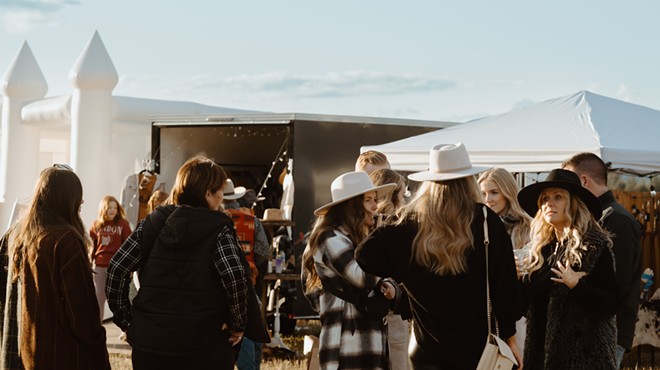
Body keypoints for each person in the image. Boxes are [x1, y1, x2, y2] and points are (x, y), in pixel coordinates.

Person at [356, 143, 523, 370]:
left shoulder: (410, 221)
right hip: (477, 351)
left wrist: (408, 273)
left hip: (426, 350)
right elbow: (504, 288)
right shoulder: (484, 220)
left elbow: (365, 254)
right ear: (468, 180)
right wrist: (510, 337)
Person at [105, 154, 258, 370]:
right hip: (205, 345)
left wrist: (126, 320)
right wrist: (237, 323)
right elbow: (235, 277)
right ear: (208, 193)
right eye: (220, 192)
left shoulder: (152, 223)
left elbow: (116, 268)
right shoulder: (219, 230)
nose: (222, 197)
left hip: (151, 346)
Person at [0, 164, 110, 369]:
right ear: (66, 198)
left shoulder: (22, 237)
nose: (82, 201)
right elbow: (82, 314)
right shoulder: (66, 240)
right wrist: (99, 351)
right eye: (78, 195)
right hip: (66, 355)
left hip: (30, 354)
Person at [517, 168, 618, 369]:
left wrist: (578, 286)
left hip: (582, 360)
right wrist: (517, 278)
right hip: (540, 359)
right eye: (544, 199)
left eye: (558, 197)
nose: (549, 203)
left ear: (573, 203)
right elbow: (528, 308)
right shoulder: (542, 250)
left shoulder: (593, 246)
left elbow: (611, 303)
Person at [301, 171, 398, 370]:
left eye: (375, 200)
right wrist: (379, 239)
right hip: (345, 343)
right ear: (351, 206)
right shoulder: (329, 238)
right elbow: (363, 278)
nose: (375, 207)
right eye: (368, 200)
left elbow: (384, 275)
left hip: (371, 338)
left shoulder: (358, 238)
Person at [561, 153, 643, 366]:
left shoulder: (617, 220)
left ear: (584, 181)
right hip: (587, 330)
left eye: (571, 182)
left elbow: (617, 286)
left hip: (609, 332)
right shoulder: (595, 217)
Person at [478, 167, 532, 353]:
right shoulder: (477, 227)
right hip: (483, 313)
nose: (488, 199)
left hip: (519, 313)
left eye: (494, 192)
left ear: (508, 193)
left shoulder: (527, 227)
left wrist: (522, 270)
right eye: (483, 193)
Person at [222, 178, 270, 370]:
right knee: (250, 324)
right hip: (247, 278)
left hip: (222, 280)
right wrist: (251, 264)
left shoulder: (215, 217)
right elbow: (263, 250)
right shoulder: (251, 218)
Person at [368, 168, 411, 370]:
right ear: (393, 196)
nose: (404, 201)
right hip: (393, 310)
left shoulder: (361, 224)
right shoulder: (394, 226)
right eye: (403, 195)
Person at [89, 195, 132, 320]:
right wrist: (89, 262)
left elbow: (128, 246)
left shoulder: (123, 224)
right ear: (103, 208)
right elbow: (92, 247)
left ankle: (126, 328)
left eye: (115, 208)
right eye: (109, 207)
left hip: (116, 266)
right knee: (99, 297)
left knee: (118, 299)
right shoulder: (96, 225)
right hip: (100, 265)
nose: (113, 210)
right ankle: (98, 327)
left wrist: (128, 267)